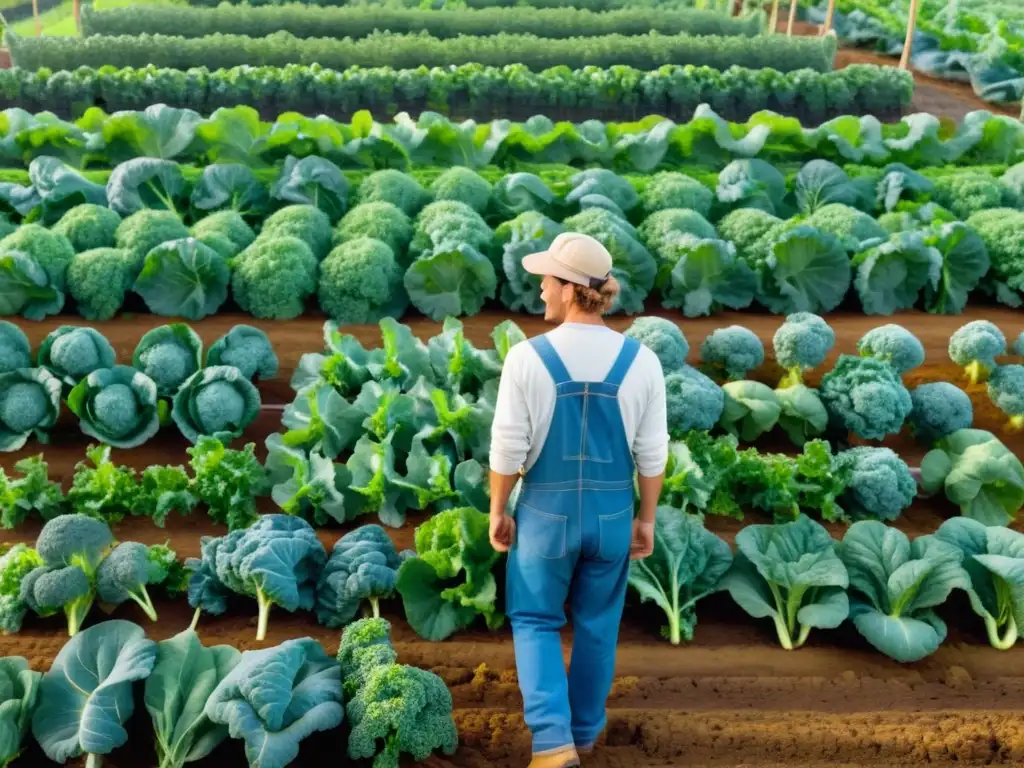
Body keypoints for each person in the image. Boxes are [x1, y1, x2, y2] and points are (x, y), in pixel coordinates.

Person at [488, 232, 669, 768]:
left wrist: (498, 509)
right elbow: (652, 454)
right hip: (615, 512)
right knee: (597, 622)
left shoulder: (527, 358)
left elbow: (508, 447)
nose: (540, 288)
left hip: (545, 511)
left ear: (569, 290)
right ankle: (585, 734)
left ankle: (552, 743)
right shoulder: (642, 360)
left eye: (547, 280)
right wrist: (646, 519)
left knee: (536, 619)